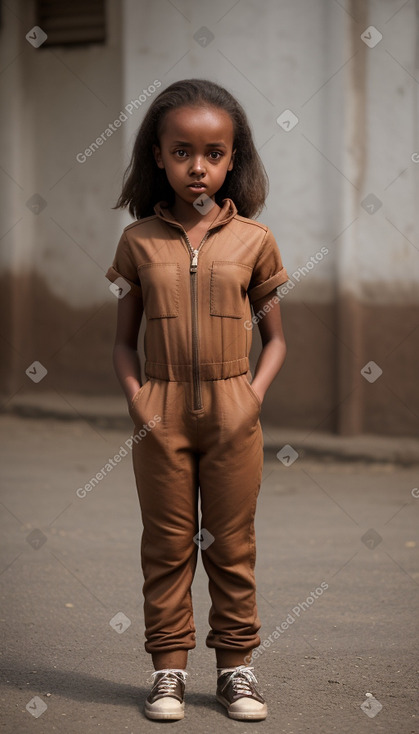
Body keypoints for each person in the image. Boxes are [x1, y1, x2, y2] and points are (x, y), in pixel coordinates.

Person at [106, 78, 288, 722]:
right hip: (162, 415)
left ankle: (237, 669)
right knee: (168, 544)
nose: (198, 166)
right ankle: (168, 674)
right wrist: (140, 403)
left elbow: (276, 340)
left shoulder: (254, 241)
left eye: (213, 152)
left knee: (231, 543)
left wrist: (251, 397)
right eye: (182, 151)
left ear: (233, 158)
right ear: (158, 155)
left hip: (233, 412)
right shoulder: (139, 242)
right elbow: (124, 344)